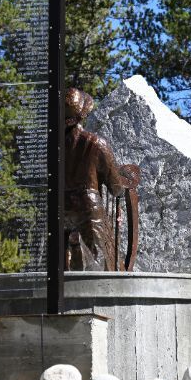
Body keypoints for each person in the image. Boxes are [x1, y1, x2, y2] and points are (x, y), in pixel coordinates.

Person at [63, 87, 136, 270]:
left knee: (65, 259)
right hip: (89, 207)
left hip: (61, 206)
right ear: (83, 115)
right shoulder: (96, 144)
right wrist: (124, 178)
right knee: (99, 258)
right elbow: (116, 188)